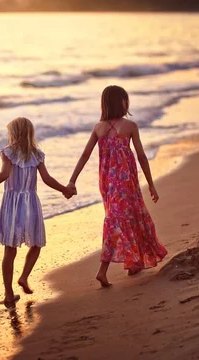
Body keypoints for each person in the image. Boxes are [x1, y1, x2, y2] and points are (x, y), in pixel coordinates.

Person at [67, 85, 167, 287]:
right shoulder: (129, 126)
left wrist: (73, 180)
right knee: (121, 218)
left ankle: (132, 262)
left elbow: (85, 155)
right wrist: (151, 184)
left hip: (107, 183)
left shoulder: (99, 127)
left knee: (122, 217)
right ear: (119, 102)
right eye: (125, 99)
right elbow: (141, 157)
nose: (127, 103)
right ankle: (102, 270)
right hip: (124, 182)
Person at [0, 117, 74, 306]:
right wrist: (64, 189)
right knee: (36, 244)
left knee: (10, 249)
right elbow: (47, 179)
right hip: (30, 202)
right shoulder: (37, 155)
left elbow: (3, 175)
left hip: (12, 203)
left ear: (13, 134)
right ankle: (23, 277)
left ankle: (8, 293)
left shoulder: (8, 153)